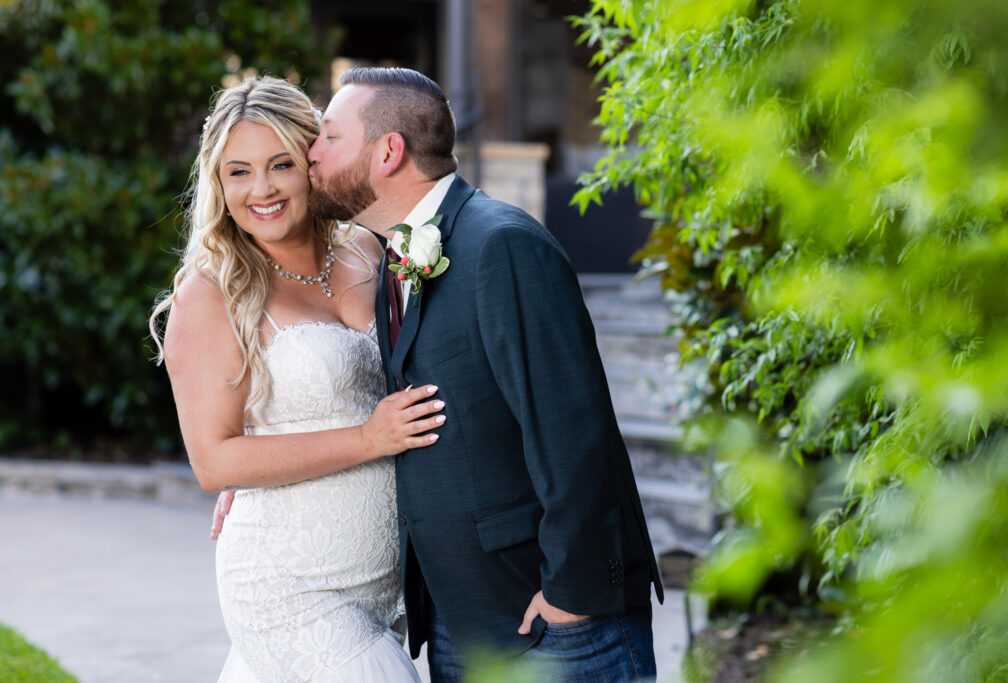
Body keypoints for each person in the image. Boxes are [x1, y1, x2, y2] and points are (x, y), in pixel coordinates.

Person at [304, 66, 664, 681]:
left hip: (552, 622)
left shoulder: (501, 245)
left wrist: (571, 597)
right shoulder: (400, 258)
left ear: (388, 151)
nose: (311, 153)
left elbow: (573, 430)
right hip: (462, 619)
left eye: (329, 137)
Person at [149, 75, 445, 682]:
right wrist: (367, 440)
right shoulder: (210, 295)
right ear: (217, 182)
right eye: (238, 172)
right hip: (286, 585)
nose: (261, 189)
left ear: (313, 160)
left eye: (280, 164)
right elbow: (215, 462)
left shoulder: (373, 251)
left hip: (384, 584)